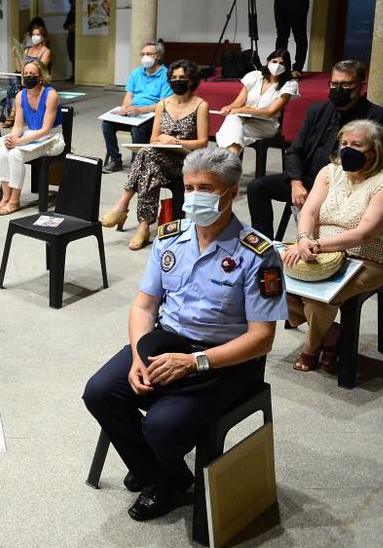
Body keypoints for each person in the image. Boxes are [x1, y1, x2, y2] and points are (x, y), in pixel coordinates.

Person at [83, 147, 287, 521]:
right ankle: (166, 474)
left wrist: (194, 363)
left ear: (230, 192)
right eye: (189, 187)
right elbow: (143, 307)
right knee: (100, 392)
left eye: (205, 188)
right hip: (164, 343)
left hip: (224, 360)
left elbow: (262, 339)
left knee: (161, 426)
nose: (194, 196)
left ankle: (156, 471)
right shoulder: (170, 238)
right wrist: (139, 358)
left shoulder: (258, 253)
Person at [284, 120, 383, 372]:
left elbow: (363, 234)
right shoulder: (329, 172)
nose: (347, 149)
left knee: (318, 299)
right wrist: (304, 237)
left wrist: (316, 244)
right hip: (316, 250)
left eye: (357, 145)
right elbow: (310, 211)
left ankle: (312, 346)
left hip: (366, 259)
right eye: (344, 144)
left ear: (375, 150)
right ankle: (332, 333)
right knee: (268, 283)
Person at [246, 60, 383, 238]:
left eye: (345, 84)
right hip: (306, 181)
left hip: (344, 186)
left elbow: (378, 160)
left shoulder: (375, 115)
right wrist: (296, 183)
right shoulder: (317, 110)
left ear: (359, 86)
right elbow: (295, 150)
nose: (338, 89)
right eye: (334, 84)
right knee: (257, 187)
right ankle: (265, 246)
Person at [101, 60, 211, 250]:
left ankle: (123, 206)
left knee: (146, 156)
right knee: (149, 160)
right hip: (160, 158)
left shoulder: (201, 105)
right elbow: (154, 138)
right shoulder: (163, 104)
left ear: (192, 80)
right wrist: (163, 140)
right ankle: (143, 225)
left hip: (186, 160)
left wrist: (176, 142)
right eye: (174, 78)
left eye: (182, 78)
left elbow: (202, 142)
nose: (177, 81)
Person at [0, 60, 66, 215]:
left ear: (41, 77)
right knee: (2, 152)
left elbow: (46, 130)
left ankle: (14, 201)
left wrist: (20, 142)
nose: (28, 76)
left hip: (51, 138)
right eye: (25, 74)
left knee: (16, 154)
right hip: (31, 134)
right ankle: (6, 197)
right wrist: (12, 138)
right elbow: (18, 125)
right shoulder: (20, 96)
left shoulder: (50, 94)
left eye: (32, 74)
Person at [101, 42, 171, 173]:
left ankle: (136, 164)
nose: (145, 57)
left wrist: (141, 110)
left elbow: (163, 104)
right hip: (133, 111)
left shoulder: (166, 75)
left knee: (137, 129)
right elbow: (129, 95)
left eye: (149, 54)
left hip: (152, 114)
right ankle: (115, 160)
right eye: (143, 54)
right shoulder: (136, 73)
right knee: (107, 125)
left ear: (159, 56)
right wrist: (124, 107)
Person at [215, 49, 299, 155]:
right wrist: (229, 107)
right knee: (232, 119)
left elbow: (270, 112)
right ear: (268, 62)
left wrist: (244, 109)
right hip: (245, 118)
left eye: (281, 63)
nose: (277, 65)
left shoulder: (289, 84)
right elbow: (239, 102)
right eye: (274, 61)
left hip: (266, 125)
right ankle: (232, 157)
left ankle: (227, 163)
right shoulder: (255, 76)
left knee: (230, 132)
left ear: (287, 66)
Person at [63, 0, 77, 82]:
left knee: (77, 55)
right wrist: (70, 27)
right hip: (71, 36)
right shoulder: (71, 9)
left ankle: (76, 75)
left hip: (78, 37)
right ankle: (73, 74)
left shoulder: (78, 8)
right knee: (72, 55)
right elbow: (65, 25)